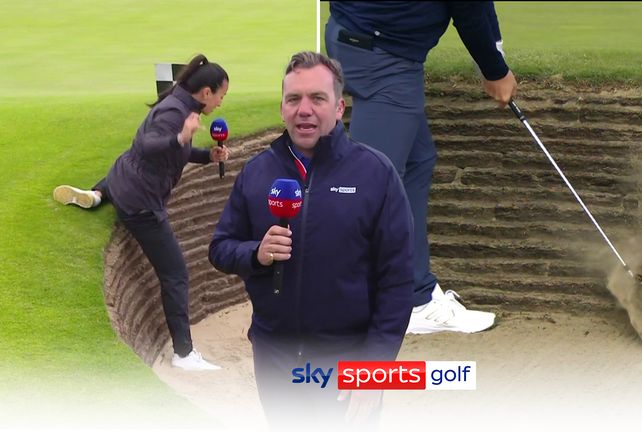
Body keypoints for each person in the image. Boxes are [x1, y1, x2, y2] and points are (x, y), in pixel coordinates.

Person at [208, 51, 414, 430]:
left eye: (317, 99)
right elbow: (221, 248)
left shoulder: (376, 174)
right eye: (294, 99)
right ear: (282, 108)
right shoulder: (256, 173)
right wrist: (257, 253)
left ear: (339, 107)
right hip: (274, 357)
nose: (304, 109)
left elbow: (398, 281)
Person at [325, 1, 518, 335]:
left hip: (363, 40)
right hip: (384, 58)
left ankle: (414, 293)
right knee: (373, 184)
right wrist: (494, 70)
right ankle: (388, 303)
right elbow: (469, 10)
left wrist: (495, 52)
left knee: (416, 161)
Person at [52, 54, 230, 371]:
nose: (220, 102)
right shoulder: (176, 114)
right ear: (206, 93)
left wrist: (208, 156)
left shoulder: (179, 100)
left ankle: (97, 195)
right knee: (176, 274)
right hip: (141, 205)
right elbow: (151, 144)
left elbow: (173, 152)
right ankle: (183, 354)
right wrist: (182, 136)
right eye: (220, 95)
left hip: (121, 179)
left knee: (126, 170)